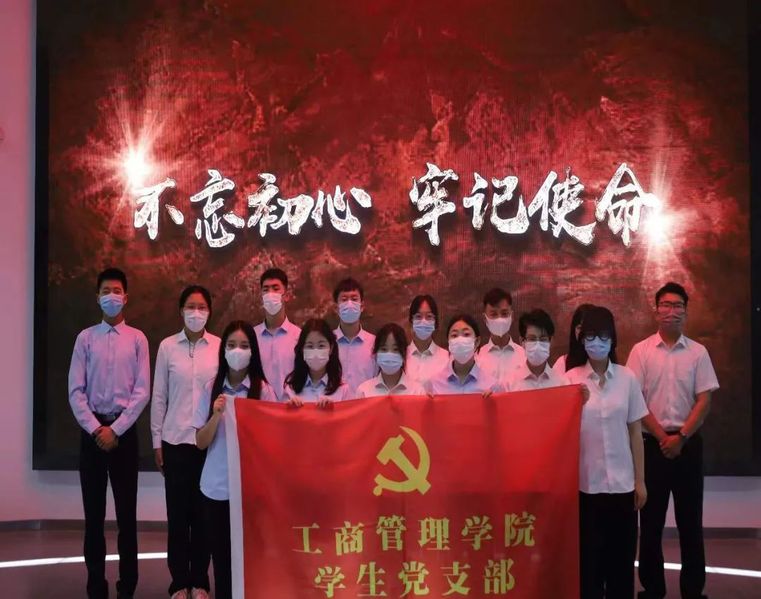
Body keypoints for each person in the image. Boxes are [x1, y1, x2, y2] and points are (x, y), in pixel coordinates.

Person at [626, 282, 719, 599]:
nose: (671, 310)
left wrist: (680, 436)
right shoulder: (640, 351)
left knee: (690, 523)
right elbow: (635, 399)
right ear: (656, 311)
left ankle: (693, 591)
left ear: (685, 312)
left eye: (678, 305)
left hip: (688, 445)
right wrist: (662, 436)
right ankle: (652, 590)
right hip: (652, 447)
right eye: (665, 304)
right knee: (650, 524)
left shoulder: (698, 352)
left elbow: (704, 399)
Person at [68, 268, 150, 599]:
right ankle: (96, 588)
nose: (111, 296)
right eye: (106, 291)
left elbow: (142, 392)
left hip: (124, 434)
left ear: (125, 297)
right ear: (97, 297)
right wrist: (96, 429)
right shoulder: (85, 339)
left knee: (127, 518)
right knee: (94, 518)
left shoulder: (138, 339)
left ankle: (127, 587)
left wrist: (115, 429)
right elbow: (75, 392)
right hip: (92, 435)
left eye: (117, 290)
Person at [565, 306, 648, 599]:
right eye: (590, 336)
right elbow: (560, 432)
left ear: (612, 339)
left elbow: (635, 432)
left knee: (621, 566)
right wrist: (574, 405)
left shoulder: (627, 378)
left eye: (603, 336)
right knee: (589, 567)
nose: (596, 343)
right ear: (581, 339)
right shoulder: (570, 379)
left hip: (623, 488)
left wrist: (640, 481)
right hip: (586, 488)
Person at [193, 321, 276, 599]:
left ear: (253, 351)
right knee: (222, 559)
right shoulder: (211, 388)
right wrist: (216, 415)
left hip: (251, 490)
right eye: (231, 345)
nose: (237, 351)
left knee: (251, 558)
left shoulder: (263, 391)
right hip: (217, 487)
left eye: (243, 345)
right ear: (223, 350)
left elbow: (271, 442)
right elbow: (200, 441)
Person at [151, 285, 220, 599]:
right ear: (181, 310)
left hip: (207, 443)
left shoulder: (219, 346)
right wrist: (157, 442)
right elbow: (159, 397)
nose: (196, 312)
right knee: (178, 517)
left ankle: (200, 582)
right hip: (175, 441)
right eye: (191, 307)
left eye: (202, 307)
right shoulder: (168, 347)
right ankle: (179, 583)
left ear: (209, 311)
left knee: (203, 517)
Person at [253, 268, 301, 400]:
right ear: (261, 296)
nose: (270, 293)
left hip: (291, 407)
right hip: (258, 408)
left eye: (275, 288)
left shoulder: (299, 337)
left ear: (286, 295)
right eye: (266, 289)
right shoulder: (251, 337)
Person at [428, 314, 501, 395]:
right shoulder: (435, 384)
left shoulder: (491, 385)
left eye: (466, 334)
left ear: (477, 341)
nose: (460, 340)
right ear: (448, 342)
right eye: (454, 335)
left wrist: (492, 401)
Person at [284, 318, 352, 406]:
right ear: (302, 350)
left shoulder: (343, 389)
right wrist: (291, 410)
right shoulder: (290, 389)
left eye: (321, 346)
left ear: (331, 348)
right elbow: (280, 414)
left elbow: (350, 414)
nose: (315, 351)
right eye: (310, 346)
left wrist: (334, 411)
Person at [505, 309, 569, 391]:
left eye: (543, 339)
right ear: (522, 341)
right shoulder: (510, 383)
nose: (537, 345)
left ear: (551, 341)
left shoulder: (561, 383)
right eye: (532, 339)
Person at [332, 277, 376, 395]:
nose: (349, 304)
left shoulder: (374, 343)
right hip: (334, 405)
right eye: (344, 299)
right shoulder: (327, 342)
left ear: (362, 306)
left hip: (365, 405)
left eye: (354, 299)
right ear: (336, 308)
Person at [356, 323, 426, 398]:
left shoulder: (417, 392)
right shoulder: (364, 391)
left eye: (395, 349)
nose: (389, 354)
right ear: (376, 353)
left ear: (404, 353)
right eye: (384, 349)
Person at [476, 287, 526, 385]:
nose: (499, 318)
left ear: (512, 316)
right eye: (493, 314)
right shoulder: (477, 358)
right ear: (485, 318)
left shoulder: (525, 356)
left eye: (504, 313)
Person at [405, 294, 449, 387]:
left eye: (429, 316)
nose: (423, 321)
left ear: (435, 323)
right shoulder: (402, 356)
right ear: (411, 322)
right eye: (418, 316)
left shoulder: (446, 358)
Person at [553, 303, 596, 374]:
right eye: (580, 328)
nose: (583, 333)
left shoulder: (605, 365)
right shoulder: (562, 363)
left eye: (589, 328)